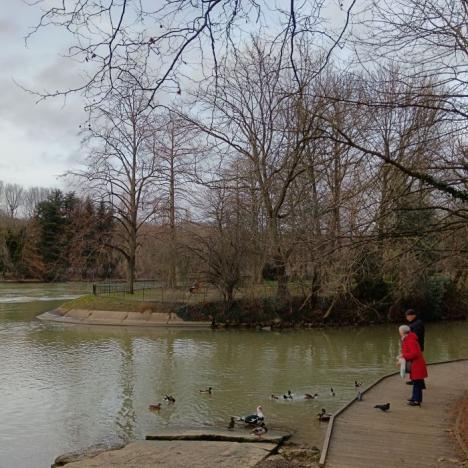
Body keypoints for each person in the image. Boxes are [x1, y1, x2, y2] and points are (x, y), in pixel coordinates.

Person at [398, 325, 428, 406]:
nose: (399, 333)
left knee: (417, 382)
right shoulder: (408, 339)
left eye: (399, 331)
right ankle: (414, 398)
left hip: (417, 364)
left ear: (403, 332)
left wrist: (404, 356)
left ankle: (417, 401)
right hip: (415, 364)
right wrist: (402, 355)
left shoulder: (410, 340)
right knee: (415, 382)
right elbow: (409, 352)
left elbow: (415, 354)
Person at [405, 309, 425, 385]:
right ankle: (414, 379)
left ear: (413, 315)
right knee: (413, 365)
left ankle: (418, 380)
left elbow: (416, 336)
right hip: (413, 347)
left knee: (417, 365)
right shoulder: (413, 323)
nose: (407, 318)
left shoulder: (418, 323)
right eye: (406, 316)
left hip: (416, 348)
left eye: (408, 316)